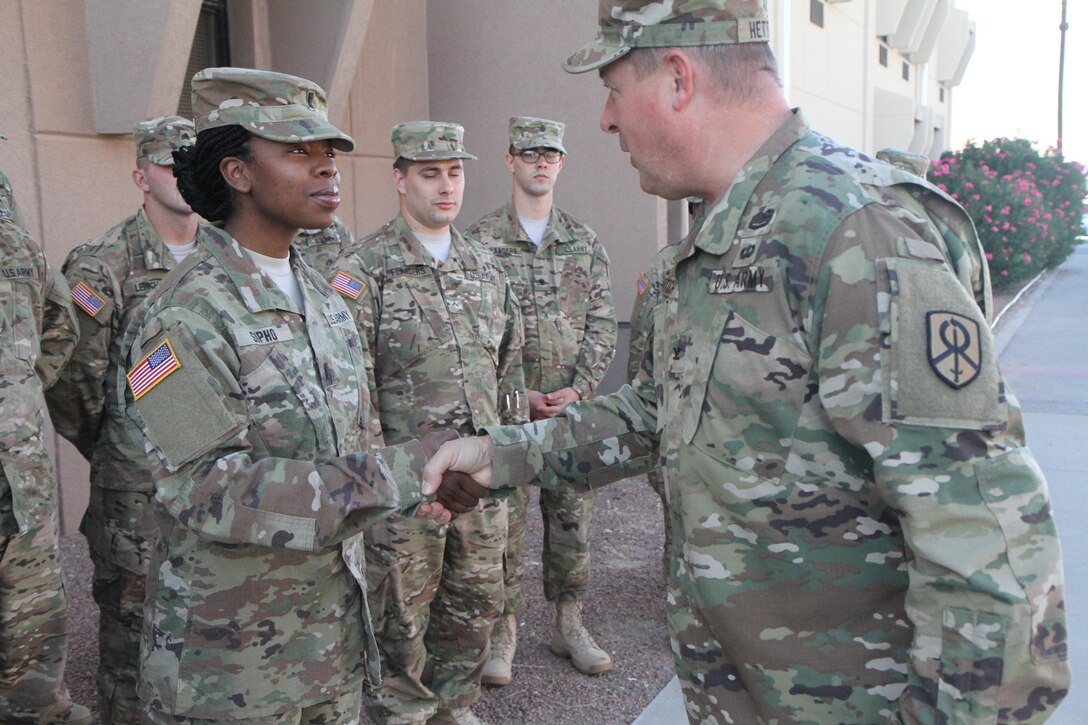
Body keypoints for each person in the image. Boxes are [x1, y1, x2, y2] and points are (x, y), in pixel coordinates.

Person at [424, 2, 1071, 722]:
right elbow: (658, 408)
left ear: (677, 78)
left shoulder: (857, 231)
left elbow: (986, 544)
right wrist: (501, 454)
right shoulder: (721, 237)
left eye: (613, 90)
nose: (606, 121)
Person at [120, 67, 458, 724]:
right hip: (232, 674)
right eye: (297, 152)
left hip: (328, 652)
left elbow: (346, 449)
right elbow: (206, 487)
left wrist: (417, 483)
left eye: (328, 152)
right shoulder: (180, 318)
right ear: (237, 172)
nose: (326, 168)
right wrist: (401, 470)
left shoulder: (326, 301)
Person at [330, 121, 526, 725]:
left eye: (455, 172)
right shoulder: (362, 270)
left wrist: (506, 464)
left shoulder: (487, 268)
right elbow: (349, 396)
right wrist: (385, 485)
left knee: (474, 611)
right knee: (399, 623)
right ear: (399, 179)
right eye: (429, 172)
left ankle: (455, 708)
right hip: (405, 493)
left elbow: (508, 375)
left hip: (480, 490)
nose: (446, 186)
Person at [44, 115, 199, 723]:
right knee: (133, 641)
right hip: (137, 491)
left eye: (193, 162)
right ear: (141, 175)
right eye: (169, 163)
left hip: (217, 481)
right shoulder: (101, 266)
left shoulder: (228, 256)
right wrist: (119, 449)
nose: (183, 174)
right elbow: (74, 385)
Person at [464, 116, 617, 683]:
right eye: (530, 154)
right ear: (509, 161)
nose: (541, 163)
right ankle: (505, 628)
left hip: (569, 411)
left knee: (573, 519)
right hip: (508, 416)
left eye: (550, 154)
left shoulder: (584, 242)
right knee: (504, 522)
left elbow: (603, 321)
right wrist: (513, 394)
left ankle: (568, 622)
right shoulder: (478, 243)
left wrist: (578, 388)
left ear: (562, 162)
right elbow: (473, 333)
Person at [0, 164, 90, 724]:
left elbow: (60, 325)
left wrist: (22, 392)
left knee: (33, 619)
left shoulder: (15, 244)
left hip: (20, 471)